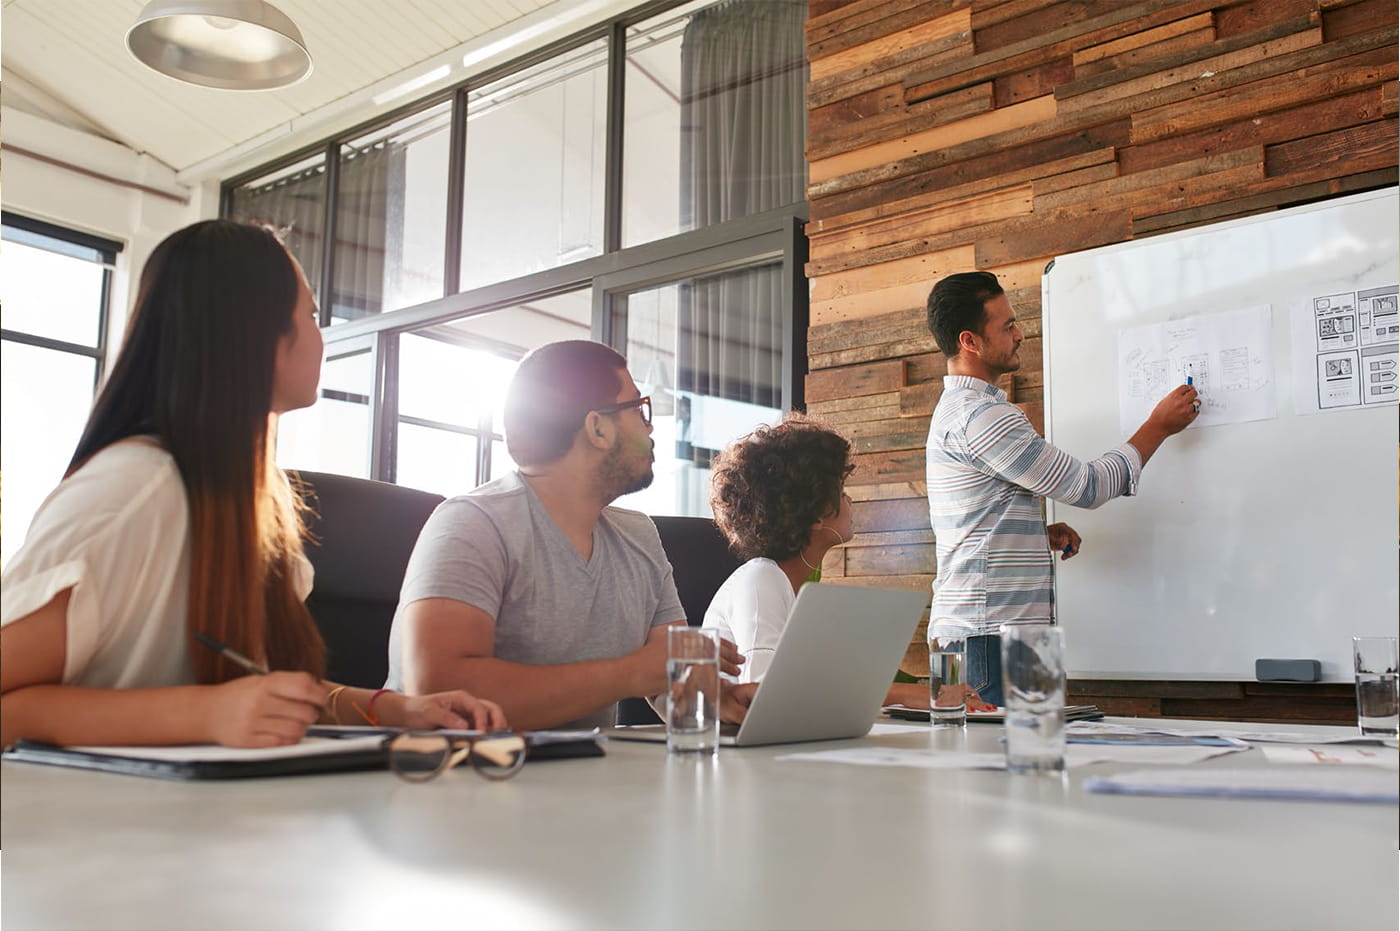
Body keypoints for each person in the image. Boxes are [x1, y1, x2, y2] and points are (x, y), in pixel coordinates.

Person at [0, 220, 506, 749]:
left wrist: (394, 708)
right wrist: (205, 715)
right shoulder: (131, 489)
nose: (320, 336)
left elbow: (262, 692)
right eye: (310, 315)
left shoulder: (256, 499)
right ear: (255, 333)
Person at [385, 339, 755, 731]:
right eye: (638, 408)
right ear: (597, 427)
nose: (650, 427)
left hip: (583, 779)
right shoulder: (471, 523)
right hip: (453, 780)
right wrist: (629, 673)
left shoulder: (639, 536)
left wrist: (716, 699)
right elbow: (440, 692)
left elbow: (666, 673)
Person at [924, 271, 1199, 706]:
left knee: (1026, 762)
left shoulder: (964, 412)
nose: (1020, 334)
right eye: (1007, 326)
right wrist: (1157, 426)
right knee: (1014, 764)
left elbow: (976, 517)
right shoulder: (981, 418)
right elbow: (1088, 486)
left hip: (991, 631)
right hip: (992, 636)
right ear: (970, 341)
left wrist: (1033, 533)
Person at [702, 414, 974, 710]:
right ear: (816, 513)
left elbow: (816, 692)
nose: (849, 502)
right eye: (841, 492)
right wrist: (904, 695)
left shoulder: (791, 587)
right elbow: (762, 695)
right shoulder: (761, 580)